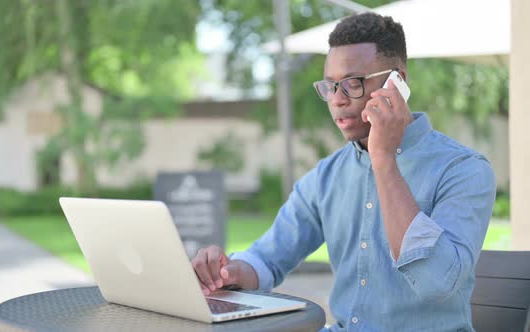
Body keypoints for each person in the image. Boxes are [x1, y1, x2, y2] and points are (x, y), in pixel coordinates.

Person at [191, 12, 496, 331]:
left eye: (353, 84)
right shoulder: (326, 177)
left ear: (398, 81)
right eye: (330, 86)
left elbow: (436, 281)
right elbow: (267, 259)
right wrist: (229, 272)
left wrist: (384, 159)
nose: (337, 100)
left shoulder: (463, 170)